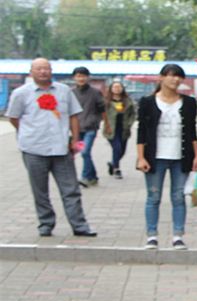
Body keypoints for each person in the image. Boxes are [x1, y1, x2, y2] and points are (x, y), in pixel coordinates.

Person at [5, 58, 97, 237]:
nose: (43, 72)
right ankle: (46, 223)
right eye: (39, 69)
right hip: (33, 148)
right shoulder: (21, 93)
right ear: (31, 72)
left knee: (71, 189)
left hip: (61, 148)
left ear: (51, 70)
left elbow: (73, 116)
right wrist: (27, 133)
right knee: (40, 190)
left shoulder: (64, 91)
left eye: (46, 68)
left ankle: (79, 225)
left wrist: (75, 140)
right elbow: (14, 117)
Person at [136, 64, 197, 250]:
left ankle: (178, 235)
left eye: (179, 76)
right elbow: (142, 131)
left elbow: (192, 132)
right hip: (155, 157)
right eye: (172, 75)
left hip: (181, 157)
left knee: (179, 197)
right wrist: (141, 157)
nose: (176, 79)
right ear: (161, 77)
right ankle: (152, 235)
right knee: (153, 197)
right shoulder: (147, 102)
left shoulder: (189, 103)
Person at [71, 66, 108, 187]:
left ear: (88, 77)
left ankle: (85, 177)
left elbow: (102, 109)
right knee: (83, 152)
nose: (81, 79)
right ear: (74, 78)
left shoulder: (95, 93)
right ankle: (93, 176)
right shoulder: (71, 93)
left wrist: (106, 124)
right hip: (77, 130)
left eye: (83, 76)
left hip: (90, 128)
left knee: (85, 152)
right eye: (78, 76)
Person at [103, 81, 136, 179]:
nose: (117, 89)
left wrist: (130, 123)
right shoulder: (106, 101)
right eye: (115, 87)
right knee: (117, 148)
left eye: (119, 87)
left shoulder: (127, 101)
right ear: (111, 89)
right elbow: (102, 114)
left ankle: (113, 163)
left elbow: (133, 114)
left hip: (124, 128)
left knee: (122, 151)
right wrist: (106, 125)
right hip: (111, 129)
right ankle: (116, 169)